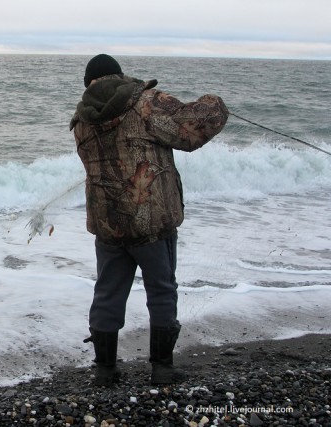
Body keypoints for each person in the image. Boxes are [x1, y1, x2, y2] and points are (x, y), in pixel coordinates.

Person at [70, 54, 229, 386]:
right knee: (161, 289)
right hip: (149, 219)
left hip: (108, 223)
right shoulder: (145, 103)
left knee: (107, 292)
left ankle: (105, 370)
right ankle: (162, 368)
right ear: (119, 74)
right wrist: (215, 104)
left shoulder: (82, 117)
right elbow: (192, 129)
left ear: (89, 84)